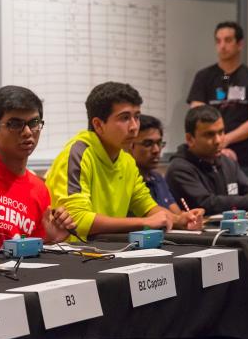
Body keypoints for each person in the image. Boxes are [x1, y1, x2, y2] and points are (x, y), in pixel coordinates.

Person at [45, 82, 201, 241]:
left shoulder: (126, 159)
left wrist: (179, 220)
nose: (134, 127)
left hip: (108, 250)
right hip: (73, 254)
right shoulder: (77, 154)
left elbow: (147, 206)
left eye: (137, 117)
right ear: (98, 124)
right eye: (125, 118)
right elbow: (78, 219)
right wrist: (144, 223)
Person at [0, 85, 76, 245]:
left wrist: (50, 240)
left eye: (34, 123)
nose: (28, 132)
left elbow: (32, 252)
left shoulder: (40, 189)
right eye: (15, 124)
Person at [187, 21, 248, 178]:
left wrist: (226, 139)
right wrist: (217, 143)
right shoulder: (203, 77)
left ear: (240, 44)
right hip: (208, 158)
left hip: (243, 160)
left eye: (228, 40)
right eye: (218, 41)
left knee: (247, 200)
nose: (222, 46)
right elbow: (196, 115)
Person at [127, 114, 204, 226]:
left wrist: (189, 217)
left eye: (159, 143)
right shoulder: (128, 180)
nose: (156, 150)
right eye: (148, 144)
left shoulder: (157, 178)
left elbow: (177, 214)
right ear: (130, 145)